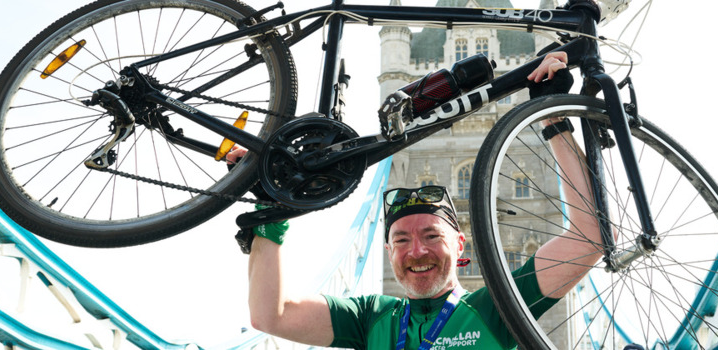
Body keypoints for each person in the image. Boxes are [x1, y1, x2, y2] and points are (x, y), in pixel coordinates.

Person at [231, 1, 628, 347]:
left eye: (431, 236)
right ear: (389, 253)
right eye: (401, 238)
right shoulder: (372, 317)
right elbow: (273, 316)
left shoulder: (498, 306)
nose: (416, 251)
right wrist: (273, 211)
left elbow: (587, 241)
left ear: (462, 248)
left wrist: (552, 120)